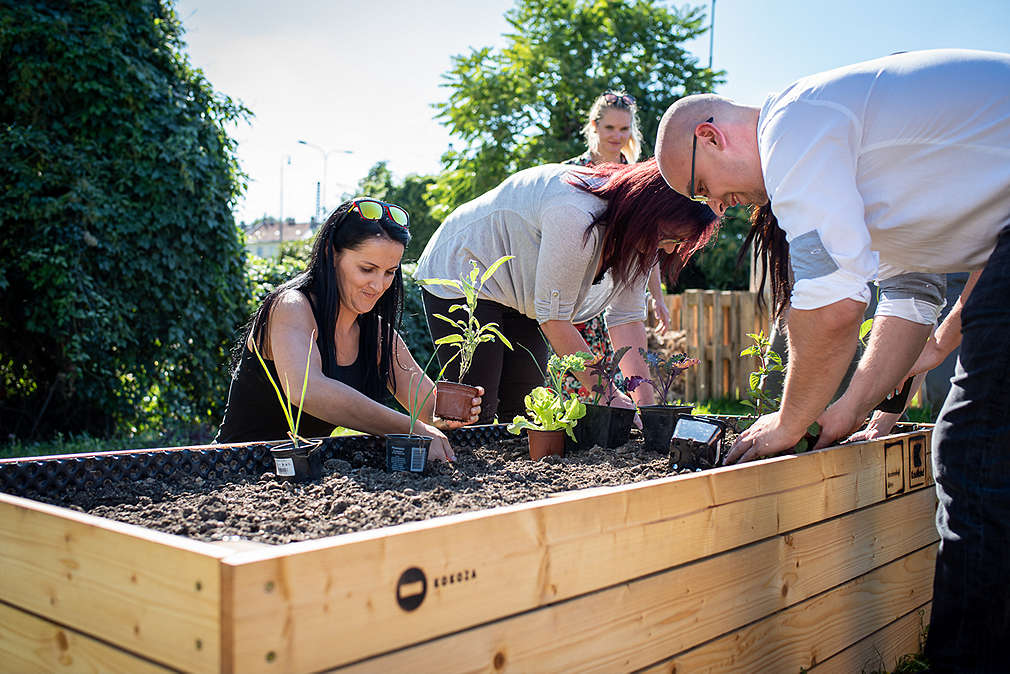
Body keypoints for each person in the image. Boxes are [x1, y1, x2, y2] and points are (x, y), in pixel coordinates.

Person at [654, 48, 1010, 671]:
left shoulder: (794, 123)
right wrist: (844, 411)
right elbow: (910, 299)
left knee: (974, 452)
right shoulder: (871, 174)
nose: (717, 207)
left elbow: (837, 305)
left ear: (709, 136)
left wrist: (791, 423)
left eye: (704, 188)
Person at [415, 158, 718, 424]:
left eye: (680, 241)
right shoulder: (576, 213)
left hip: (519, 295)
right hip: (465, 269)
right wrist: (608, 396)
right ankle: (456, 476)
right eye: (671, 236)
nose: (671, 247)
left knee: (525, 408)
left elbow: (626, 319)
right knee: (476, 404)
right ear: (648, 211)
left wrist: (647, 408)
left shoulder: (642, 241)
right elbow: (555, 320)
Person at [216, 198, 483, 462]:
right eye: (367, 269)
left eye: (389, 272)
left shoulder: (377, 334)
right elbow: (308, 390)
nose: (379, 285)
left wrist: (453, 413)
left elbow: (427, 409)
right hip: (235, 472)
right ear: (332, 255)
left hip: (308, 477)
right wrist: (409, 428)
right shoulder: (291, 307)